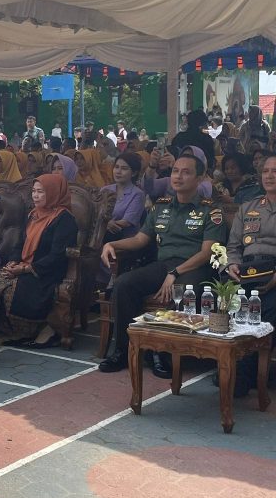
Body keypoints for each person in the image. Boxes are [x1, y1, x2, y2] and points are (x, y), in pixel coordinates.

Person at [99, 155, 226, 377]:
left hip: (195, 268)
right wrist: (111, 243)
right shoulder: (161, 208)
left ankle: (164, 355)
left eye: (186, 172)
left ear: (199, 178)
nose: (178, 176)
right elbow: (140, 240)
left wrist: (175, 273)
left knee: (180, 291)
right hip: (164, 264)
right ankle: (123, 350)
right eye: (175, 171)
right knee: (123, 284)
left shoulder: (211, 211)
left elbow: (207, 253)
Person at [0, 174, 78, 348]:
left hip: (47, 272)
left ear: (53, 193)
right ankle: (8, 331)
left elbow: (57, 256)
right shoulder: (33, 215)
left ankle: (37, 330)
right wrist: (13, 261)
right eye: (34, 191)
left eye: (41, 192)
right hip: (25, 266)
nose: (35, 196)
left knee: (15, 288)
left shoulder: (65, 220)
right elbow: (20, 243)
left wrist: (26, 269)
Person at [225, 155, 276, 396]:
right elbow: (233, 246)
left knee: (269, 308)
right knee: (231, 303)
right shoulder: (248, 207)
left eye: (275, 170)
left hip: (274, 270)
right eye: (266, 171)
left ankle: (252, 373)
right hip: (246, 271)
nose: (270, 175)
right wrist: (233, 264)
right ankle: (237, 369)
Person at [102, 153, 146, 240]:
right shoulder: (105, 190)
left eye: (124, 168)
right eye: (116, 167)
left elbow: (126, 222)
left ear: (134, 173)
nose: (118, 171)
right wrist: (106, 224)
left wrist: (105, 224)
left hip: (125, 241)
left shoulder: (137, 194)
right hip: (101, 236)